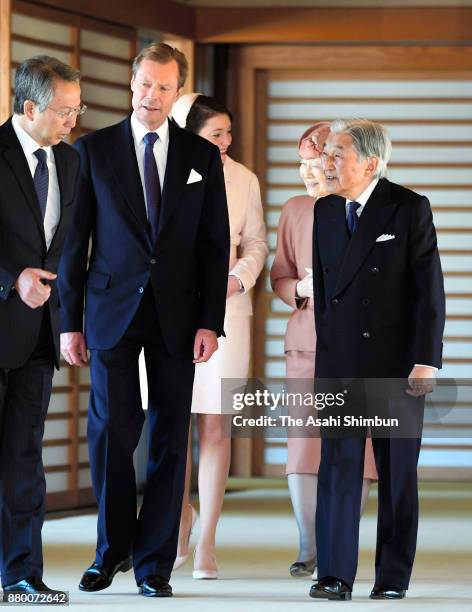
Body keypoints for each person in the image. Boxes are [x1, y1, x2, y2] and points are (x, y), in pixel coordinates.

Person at [58, 44, 230, 598]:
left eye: (162, 87)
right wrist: (69, 321)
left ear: (177, 93)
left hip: (179, 316)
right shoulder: (94, 150)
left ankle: (155, 563)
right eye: (143, 84)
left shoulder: (201, 158)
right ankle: (110, 553)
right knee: (111, 431)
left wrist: (211, 320)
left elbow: (213, 245)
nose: (150, 96)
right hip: (110, 310)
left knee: (169, 437)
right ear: (130, 84)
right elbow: (72, 243)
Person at [309, 119, 445, 601]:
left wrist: (426, 360)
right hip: (341, 362)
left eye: (337, 152)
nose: (327, 161)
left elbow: (430, 292)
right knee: (338, 468)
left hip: (397, 364)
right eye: (326, 152)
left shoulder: (408, 208)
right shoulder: (324, 211)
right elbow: (325, 296)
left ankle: (391, 578)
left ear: (370, 162)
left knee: (397, 474)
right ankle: (334, 574)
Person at [271, 123, 377, 579]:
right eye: (302, 164)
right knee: (303, 445)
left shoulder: (363, 209)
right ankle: (308, 544)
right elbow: (279, 276)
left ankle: (338, 541)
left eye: (317, 163)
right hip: (306, 340)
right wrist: (299, 288)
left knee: (359, 447)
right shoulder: (294, 210)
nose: (308, 172)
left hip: (360, 346)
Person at [171, 93, 268, 579]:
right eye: (216, 133)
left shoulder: (243, 178)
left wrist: (237, 279)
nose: (226, 142)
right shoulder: (168, 170)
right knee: (175, 423)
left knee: (216, 423)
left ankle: (207, 537)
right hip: (172, 313)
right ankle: (181, 517)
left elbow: (256, 242)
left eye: (229, 132)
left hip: (228, 308)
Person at [0, 55, 82, 598]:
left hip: (36, 334)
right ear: (29, 107)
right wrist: (11, 279)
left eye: (77, 110)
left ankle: (23, 574)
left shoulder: (70, 163)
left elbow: (71, 249)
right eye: (63, 111)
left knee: (26, 455)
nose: (72, 122)